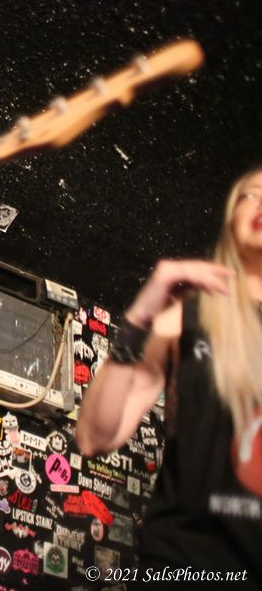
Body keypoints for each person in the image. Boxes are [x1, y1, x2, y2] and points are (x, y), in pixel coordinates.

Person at [75, 168, 262, 588]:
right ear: (231, 219)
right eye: (251, 194)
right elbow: (93, 438)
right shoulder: (190, 316)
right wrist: (140, 318)